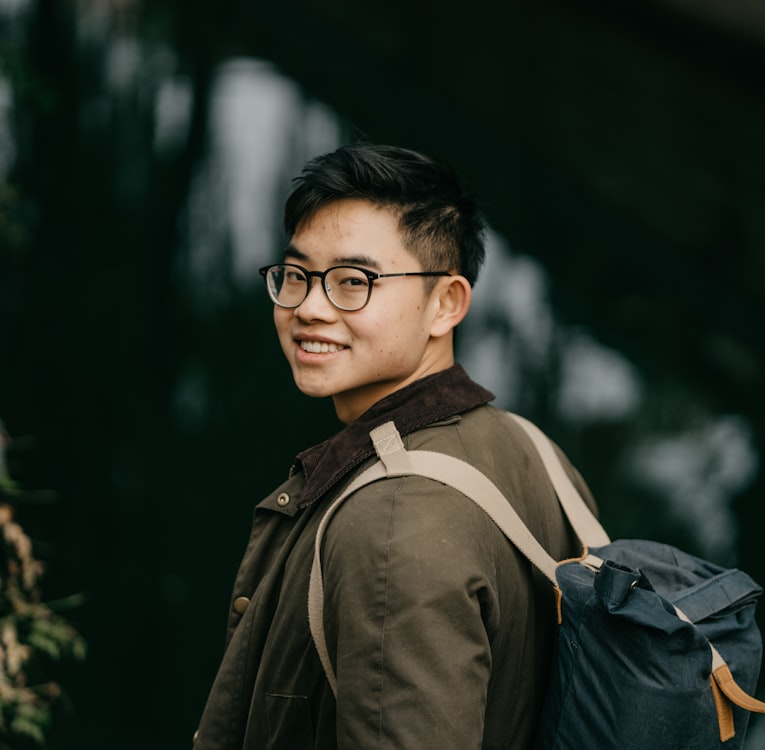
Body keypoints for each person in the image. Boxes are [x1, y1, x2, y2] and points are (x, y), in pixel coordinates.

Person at [193, 143, 595, 749]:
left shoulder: (391, 525)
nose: (309, 308)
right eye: (297, 275)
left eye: (354, 282)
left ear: (446, 304)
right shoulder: (532, 445)